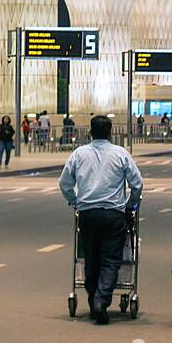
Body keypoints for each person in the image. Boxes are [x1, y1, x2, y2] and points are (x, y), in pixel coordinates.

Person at [59, 115, 143, 325]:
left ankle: (92, 299)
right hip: (113, 214)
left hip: (87, 214)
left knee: (91, 258)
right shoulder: (121, 154)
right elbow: (137, 183)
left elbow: (64, 183)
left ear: (90, 133)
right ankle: (101, 300)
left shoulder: (78, 154)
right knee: (110, 260)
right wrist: (130, 205)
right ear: (110, 133)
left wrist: (75, 202)